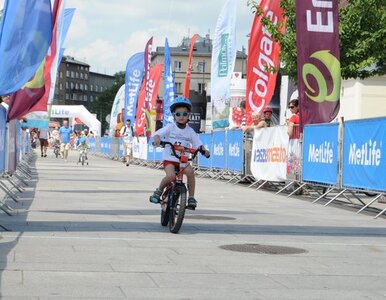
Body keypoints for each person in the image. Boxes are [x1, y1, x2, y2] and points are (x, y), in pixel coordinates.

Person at [149, 97, 210, 210]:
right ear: (174, 116)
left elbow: (198, 144)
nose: (181, 116)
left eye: (184, 114)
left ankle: (191, 197)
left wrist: (204, 150)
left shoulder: (190, 131)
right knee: (171, 176)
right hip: (170, 159)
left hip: (183, 161)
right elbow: (158, 133)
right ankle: (158, 191)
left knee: (191, 173)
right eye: (178, 114)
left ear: (189, 115)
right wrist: (157, 138)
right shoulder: (170, 127)